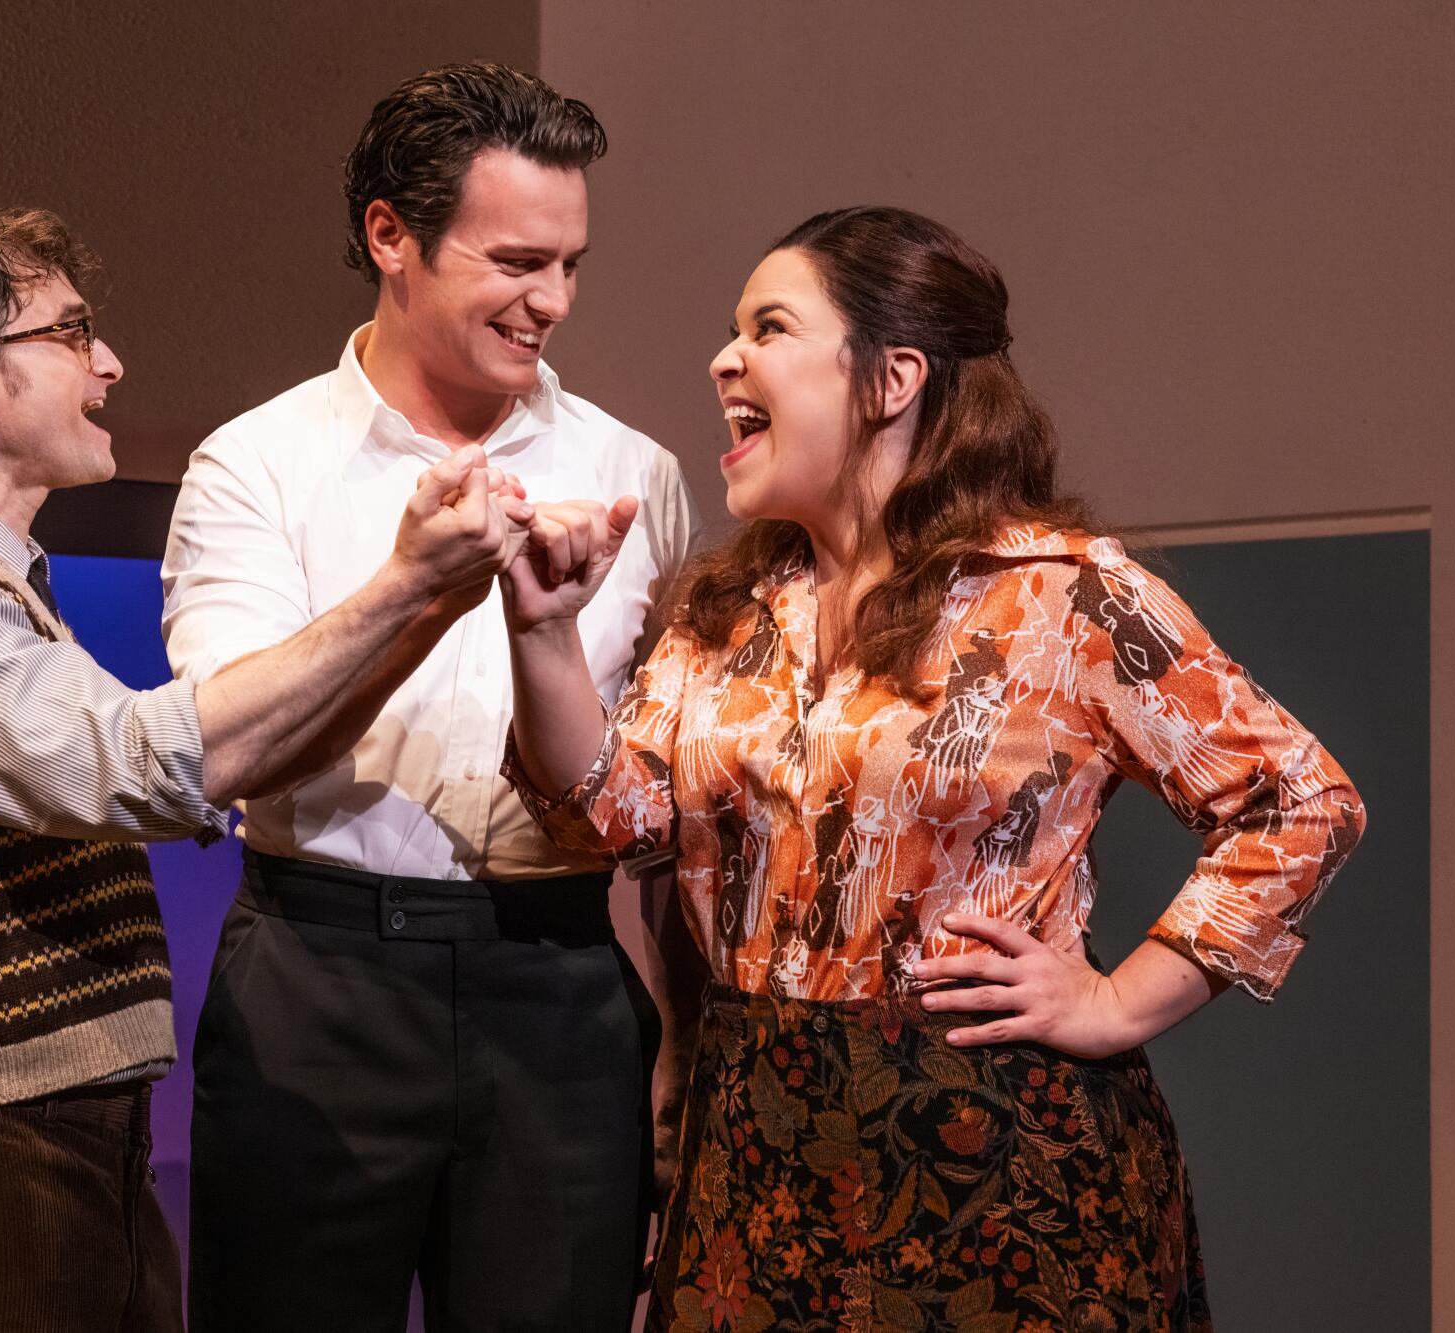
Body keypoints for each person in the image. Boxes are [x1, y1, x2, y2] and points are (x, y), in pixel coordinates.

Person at [499, 205, 1364, 1331]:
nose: (724, 358)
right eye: (731, 330)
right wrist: (539, 632)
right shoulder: (726, 614)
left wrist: (1115, 1004)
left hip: (993, 1157)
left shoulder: (1059, 593)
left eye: (767, 327)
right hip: (756, 1150)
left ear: (892, 375)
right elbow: (610, 824)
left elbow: (1298, 800)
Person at [0, 202, 533, 1333]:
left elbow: (204, 759)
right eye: (70, 331)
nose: (109, 363)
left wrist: (436, 596)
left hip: (68, 1140)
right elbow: (140, 764)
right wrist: (403, 584)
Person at [162, 64, 697, 1331]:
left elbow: (674, 792)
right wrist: (416, 588)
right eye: (515, 261)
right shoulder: (259, 462)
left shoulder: (634, 471)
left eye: (570, 263)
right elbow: (222, 744)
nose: (551, 301)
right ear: (388, 237)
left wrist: (684, 1026)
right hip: (319, 970)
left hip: (562, 977)